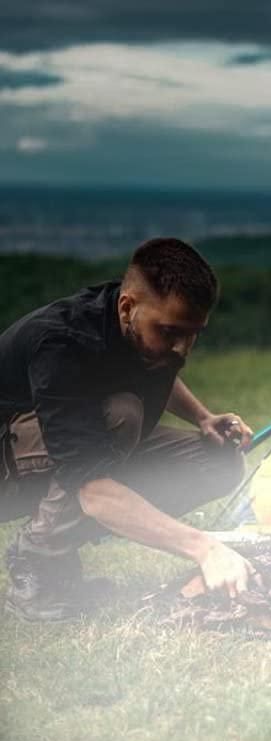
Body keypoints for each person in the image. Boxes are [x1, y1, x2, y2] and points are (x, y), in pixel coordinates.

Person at [0, 238, 257, 621]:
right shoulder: (63, 343)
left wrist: (202, 417)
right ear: (126, 308)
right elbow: (90, 486)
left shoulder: (137, 318)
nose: (183, 349)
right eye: (171, 332)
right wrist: (205, 549)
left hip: (68, 444)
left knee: (218, 462)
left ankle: (64, 542)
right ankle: (37, 562)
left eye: (194, 333)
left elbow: (158, 365)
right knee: (123, 415)